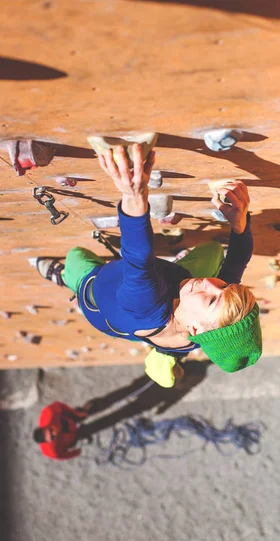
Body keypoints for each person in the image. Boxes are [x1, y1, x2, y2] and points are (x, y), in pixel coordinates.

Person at [36, 144, 262, 373]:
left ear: (195, 329)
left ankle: (64, 277)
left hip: (97, 290)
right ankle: (167, 354)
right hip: (168, 292)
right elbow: (238, 260)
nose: (210, 282)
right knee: (214, 250)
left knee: (77, 255)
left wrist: (133, 196)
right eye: (224, 286)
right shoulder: (201, 333)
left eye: (212, 300)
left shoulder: (147, 304)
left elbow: (138, 257)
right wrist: (239, 222)